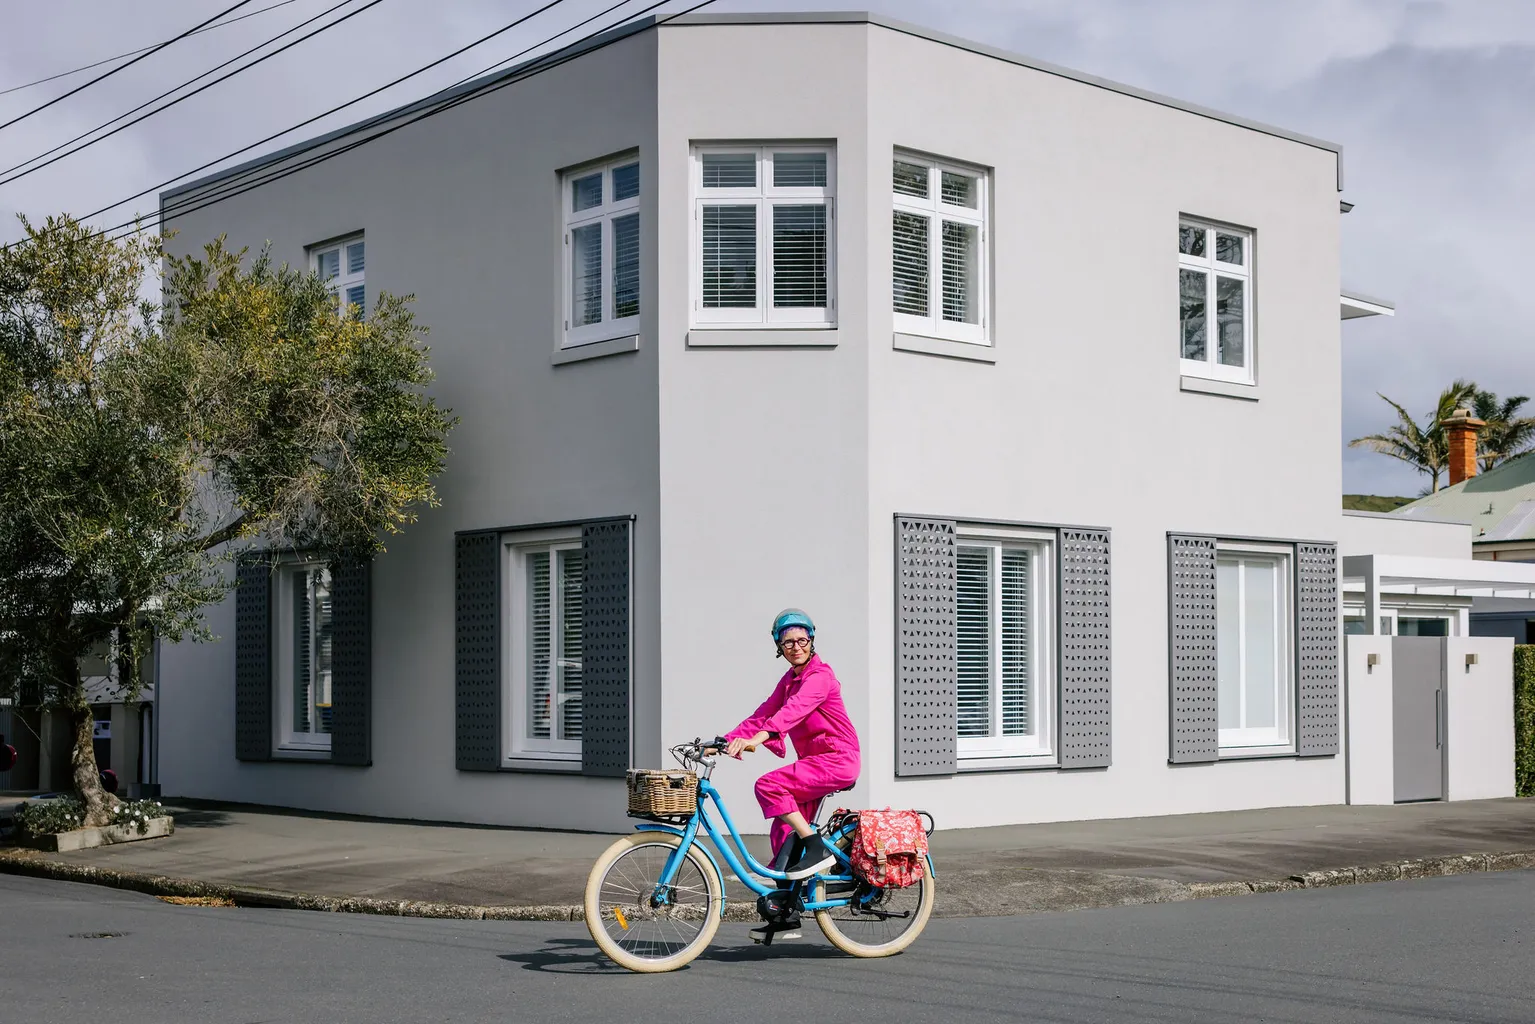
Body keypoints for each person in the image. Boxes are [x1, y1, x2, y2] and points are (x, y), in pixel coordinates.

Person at [722, 608, 861, 942]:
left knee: (768, 785)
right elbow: (763, 714)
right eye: (788, 642)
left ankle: (818, 848)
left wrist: (760, 738)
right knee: (783, 832)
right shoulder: (789, 680)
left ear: (811, 641)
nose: (795, 646)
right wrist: (724, 742)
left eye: (801, 640)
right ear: (779, 647)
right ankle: (788, 910)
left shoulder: (820, 677)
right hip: (815, 764)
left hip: (837, 759)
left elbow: (791, 712)